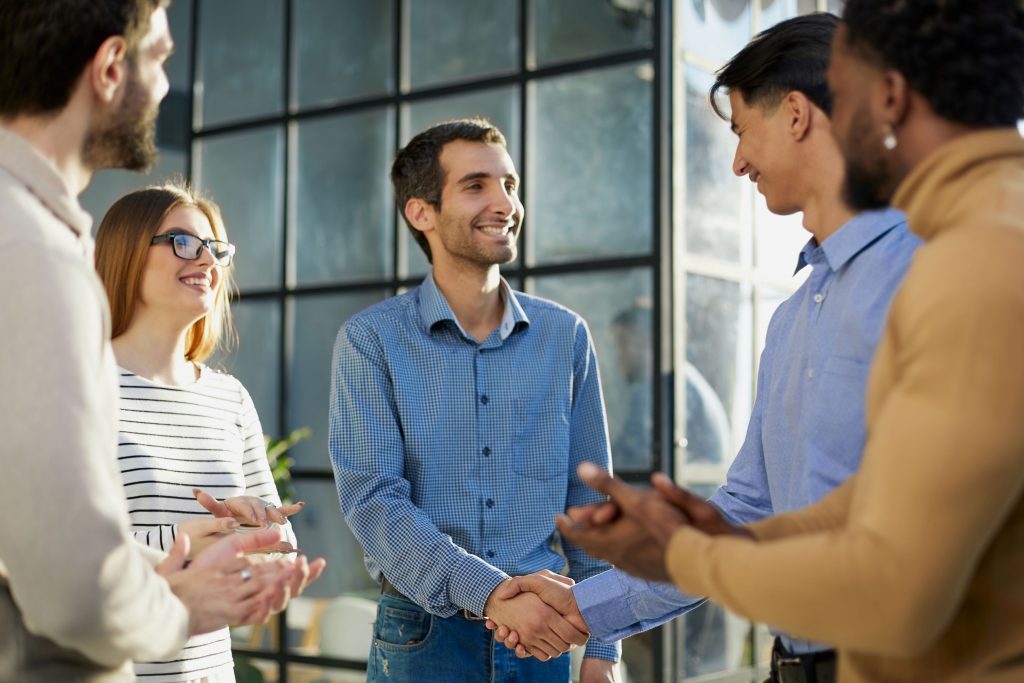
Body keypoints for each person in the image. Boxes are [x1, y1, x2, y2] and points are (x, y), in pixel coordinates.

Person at [555, 2, 1024, 681]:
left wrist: (689, 555)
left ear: (885, 96)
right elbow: (861, 501)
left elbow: (895, 586)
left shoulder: (971, 259)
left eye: (845, 88)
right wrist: (682, 542)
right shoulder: (969, 243)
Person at [489, 13, 919, 681]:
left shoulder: (934, 275)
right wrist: (586, 606)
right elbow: (745, 511)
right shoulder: (790, 322)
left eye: (743, 131)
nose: (737, 161)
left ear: (798, 114)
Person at [0, 2, 294, 680]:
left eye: (214, 246)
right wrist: (179, 596)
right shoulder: (34, 255)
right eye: (159, 58)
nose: (165, 85)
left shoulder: (32, 242)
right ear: (109, 67)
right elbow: (71, 579)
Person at [329, 118, 620, 682]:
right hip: (424, 635)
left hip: (548, 637)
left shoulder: (566, 337)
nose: (504, 202)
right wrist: (491, 594)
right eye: (476, 185)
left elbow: (590, 499)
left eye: (509, 184)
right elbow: (373, 501)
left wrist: (604, 648)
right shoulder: (371, 341)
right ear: (422, 213)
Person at [94, 182, 327, 682]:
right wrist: (183, 543)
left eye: (215, 248)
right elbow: (45, 549)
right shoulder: (77, 385)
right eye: (182, 241)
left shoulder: (229, 398)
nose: (206, 259)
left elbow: (276, 540)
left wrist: (250, 527)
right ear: (126, 252)